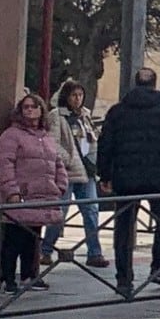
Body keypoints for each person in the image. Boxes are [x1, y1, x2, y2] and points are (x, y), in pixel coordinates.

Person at [96, 67, 160, 299]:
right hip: (157, 178)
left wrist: (104, 176)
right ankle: (159, 267)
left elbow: (105, 145)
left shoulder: (118, 111)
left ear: (134, 83)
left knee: (124, 228)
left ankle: (124, 279)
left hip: (125, 178)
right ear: (155, 84)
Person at [0, 94, 69, 295]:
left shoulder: (46, 136)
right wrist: (12, 190)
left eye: (34, 106)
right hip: (22, 195)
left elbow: (57, 162)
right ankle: (8, 279)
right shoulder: (11, 135)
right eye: (26, 107)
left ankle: (30, 275)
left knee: (33, 238)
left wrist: (60, 185)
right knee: (14, 238)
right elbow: (5, 164)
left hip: (43, 195)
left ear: (41, 110)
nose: (29, 110)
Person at [42, 79, 107, 269]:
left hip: (87, 170)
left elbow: (91, 140)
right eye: (73, 95)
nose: (77, 99)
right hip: (67, 171)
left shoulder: (85, 115)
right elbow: (52, 143)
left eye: (80, 95)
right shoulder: (57, 116)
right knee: (59, 212)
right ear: (66, 96)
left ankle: (94, 252)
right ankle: (46, 250)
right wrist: (68, 159)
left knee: (91, 211)